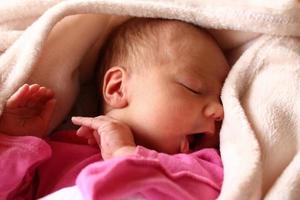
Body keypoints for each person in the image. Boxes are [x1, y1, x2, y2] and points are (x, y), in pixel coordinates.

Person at [0, 18, 229, 199]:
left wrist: (125, 154)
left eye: (221, 99)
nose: (219, 110)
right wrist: (16, 143)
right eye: (193, 89)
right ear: (118, 87)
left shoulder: (202, 168)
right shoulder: (58, 153)